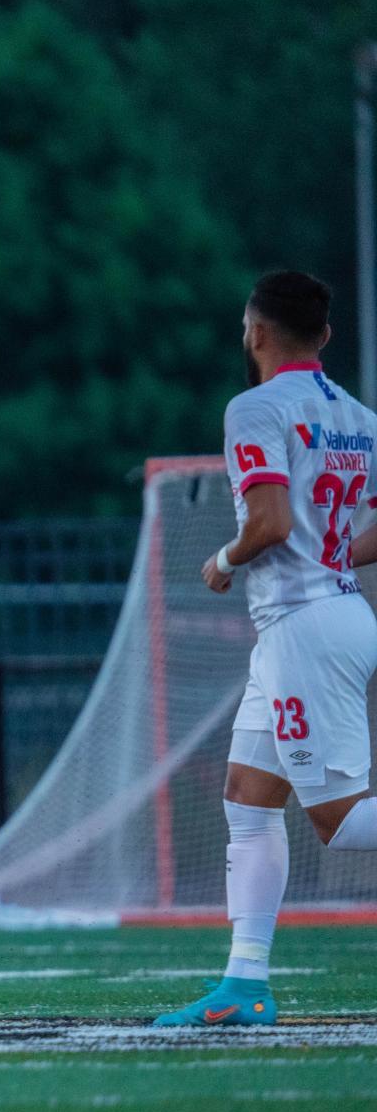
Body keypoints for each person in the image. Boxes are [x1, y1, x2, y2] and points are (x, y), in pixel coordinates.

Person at [162, 270, 377, 1027]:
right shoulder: (359, 416)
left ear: (254, 333)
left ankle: (247, 983)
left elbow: (272, 521)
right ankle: (245, 982)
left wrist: (223, 560)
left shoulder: (254, 407)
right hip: (326, 618)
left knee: (342, 821)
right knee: (248, 802)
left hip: (302, 628)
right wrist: (333, 559)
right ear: (323, 336)